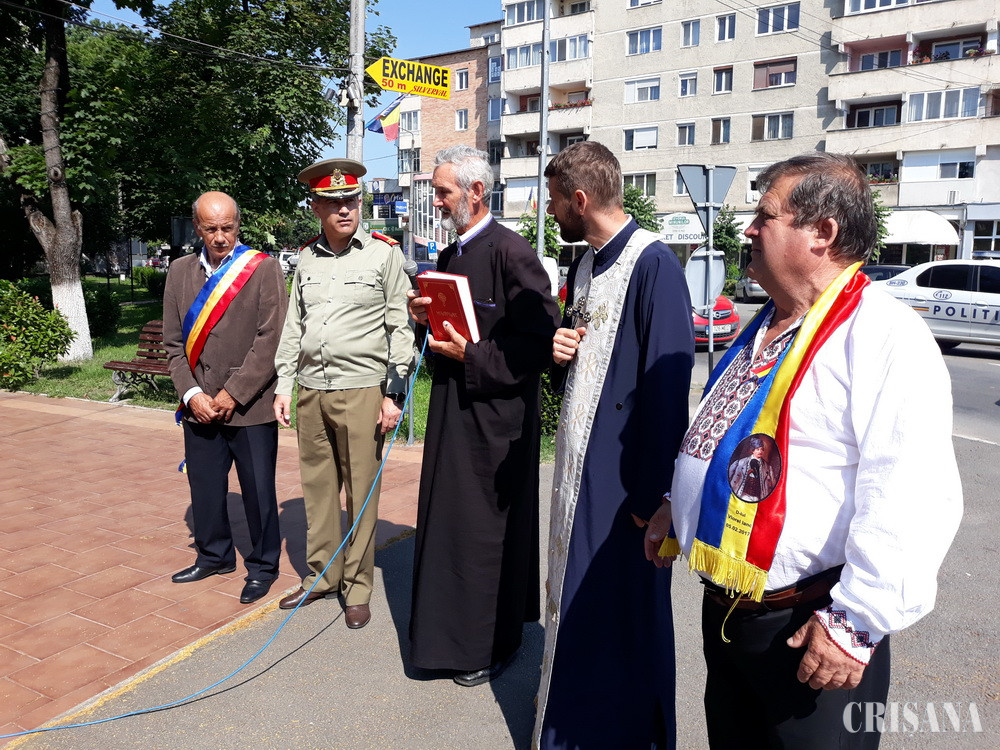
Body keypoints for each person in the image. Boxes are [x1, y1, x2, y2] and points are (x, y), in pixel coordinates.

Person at [646, 152, 963, 748]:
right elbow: (727, 432)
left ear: (822, 232)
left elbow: (911, 490)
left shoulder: (883, 331)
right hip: (730, 611)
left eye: (765, 216)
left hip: (811, 627)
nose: (748, 230)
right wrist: (676, 505)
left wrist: (856, 622)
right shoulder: (769, 320)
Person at [536, 141, 694, 750]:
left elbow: (667, 383)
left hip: (626, 479)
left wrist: (654, 494)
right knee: (580, 599)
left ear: (580, 200)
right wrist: (559, 352)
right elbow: (581, 359)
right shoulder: (584, 265)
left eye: (555, 200)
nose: (551, 211)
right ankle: (572, 724)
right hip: (580, 465)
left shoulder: (654, 264)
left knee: (624, 610)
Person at [407, 146, 560, 687]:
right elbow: (449, 330)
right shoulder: (450, 254)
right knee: (452, 527)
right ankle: (449, 638)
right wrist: (422, 318)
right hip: (453, 413)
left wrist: (470, 356)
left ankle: (493, 643)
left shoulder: (512, 252)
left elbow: (537, 344)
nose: (436, 200)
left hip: (497, 423)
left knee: (485, 536)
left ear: (475, 192)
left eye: (442, 191)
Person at [273, 158, 413, 629]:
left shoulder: (383, 255)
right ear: (316, 208)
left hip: (362, 391)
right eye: (333, 203)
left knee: (361, 495)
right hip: (312, 391)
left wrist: (394, 394)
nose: (345, 209)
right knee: (317, 491)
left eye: (351, 200)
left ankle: (357, 587)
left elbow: (400, 327)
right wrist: (284, 384)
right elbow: (294, 326)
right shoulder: (307, 258)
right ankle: (322, 576)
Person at [163, 191, 288, 605]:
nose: (220, 237)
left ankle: (263, 566)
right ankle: (213, 556)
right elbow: (173, 344)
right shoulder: (179, 271)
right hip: (199, 405)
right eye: (211, 228)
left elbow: (271, 339)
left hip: (250, 406)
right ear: (197, 228)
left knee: (258, 491)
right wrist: (192, 393)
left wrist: (234, 392)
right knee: (205, 487)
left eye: (228, 228)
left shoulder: (263, 269)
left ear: (238, 225)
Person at [727, 436, 778, 502]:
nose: (760, 451)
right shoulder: (739, 463)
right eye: (757, 449)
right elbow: (727, 477)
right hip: (740, 495)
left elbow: (774, 485)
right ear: (753, 450)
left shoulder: (768, 468)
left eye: (762, 449)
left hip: (758, 498)